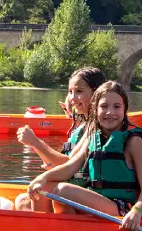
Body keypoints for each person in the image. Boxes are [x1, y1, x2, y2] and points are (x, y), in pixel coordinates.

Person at [27, 81, 142, 231]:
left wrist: (137, 211)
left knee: (62, 190)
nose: (110, 112)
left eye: (117, 107)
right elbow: (70, 168)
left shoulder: (134, 142)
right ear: (94, 109)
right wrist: (42, 178)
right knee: (44, 187)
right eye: (104, 106)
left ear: (125, 109)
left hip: (123, 209)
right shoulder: (92, 137)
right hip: (97, 203)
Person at [13, 67, 106, 211]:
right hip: (75, 186)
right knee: (23, 201)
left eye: (79, 91)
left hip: (92, 194)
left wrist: (35, 142)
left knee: (44, 188)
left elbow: (68, 164)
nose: (72, 97)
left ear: (97, 93)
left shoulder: (97, 126)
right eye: (70, 92)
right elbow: (66, 165)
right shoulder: (83, 125)